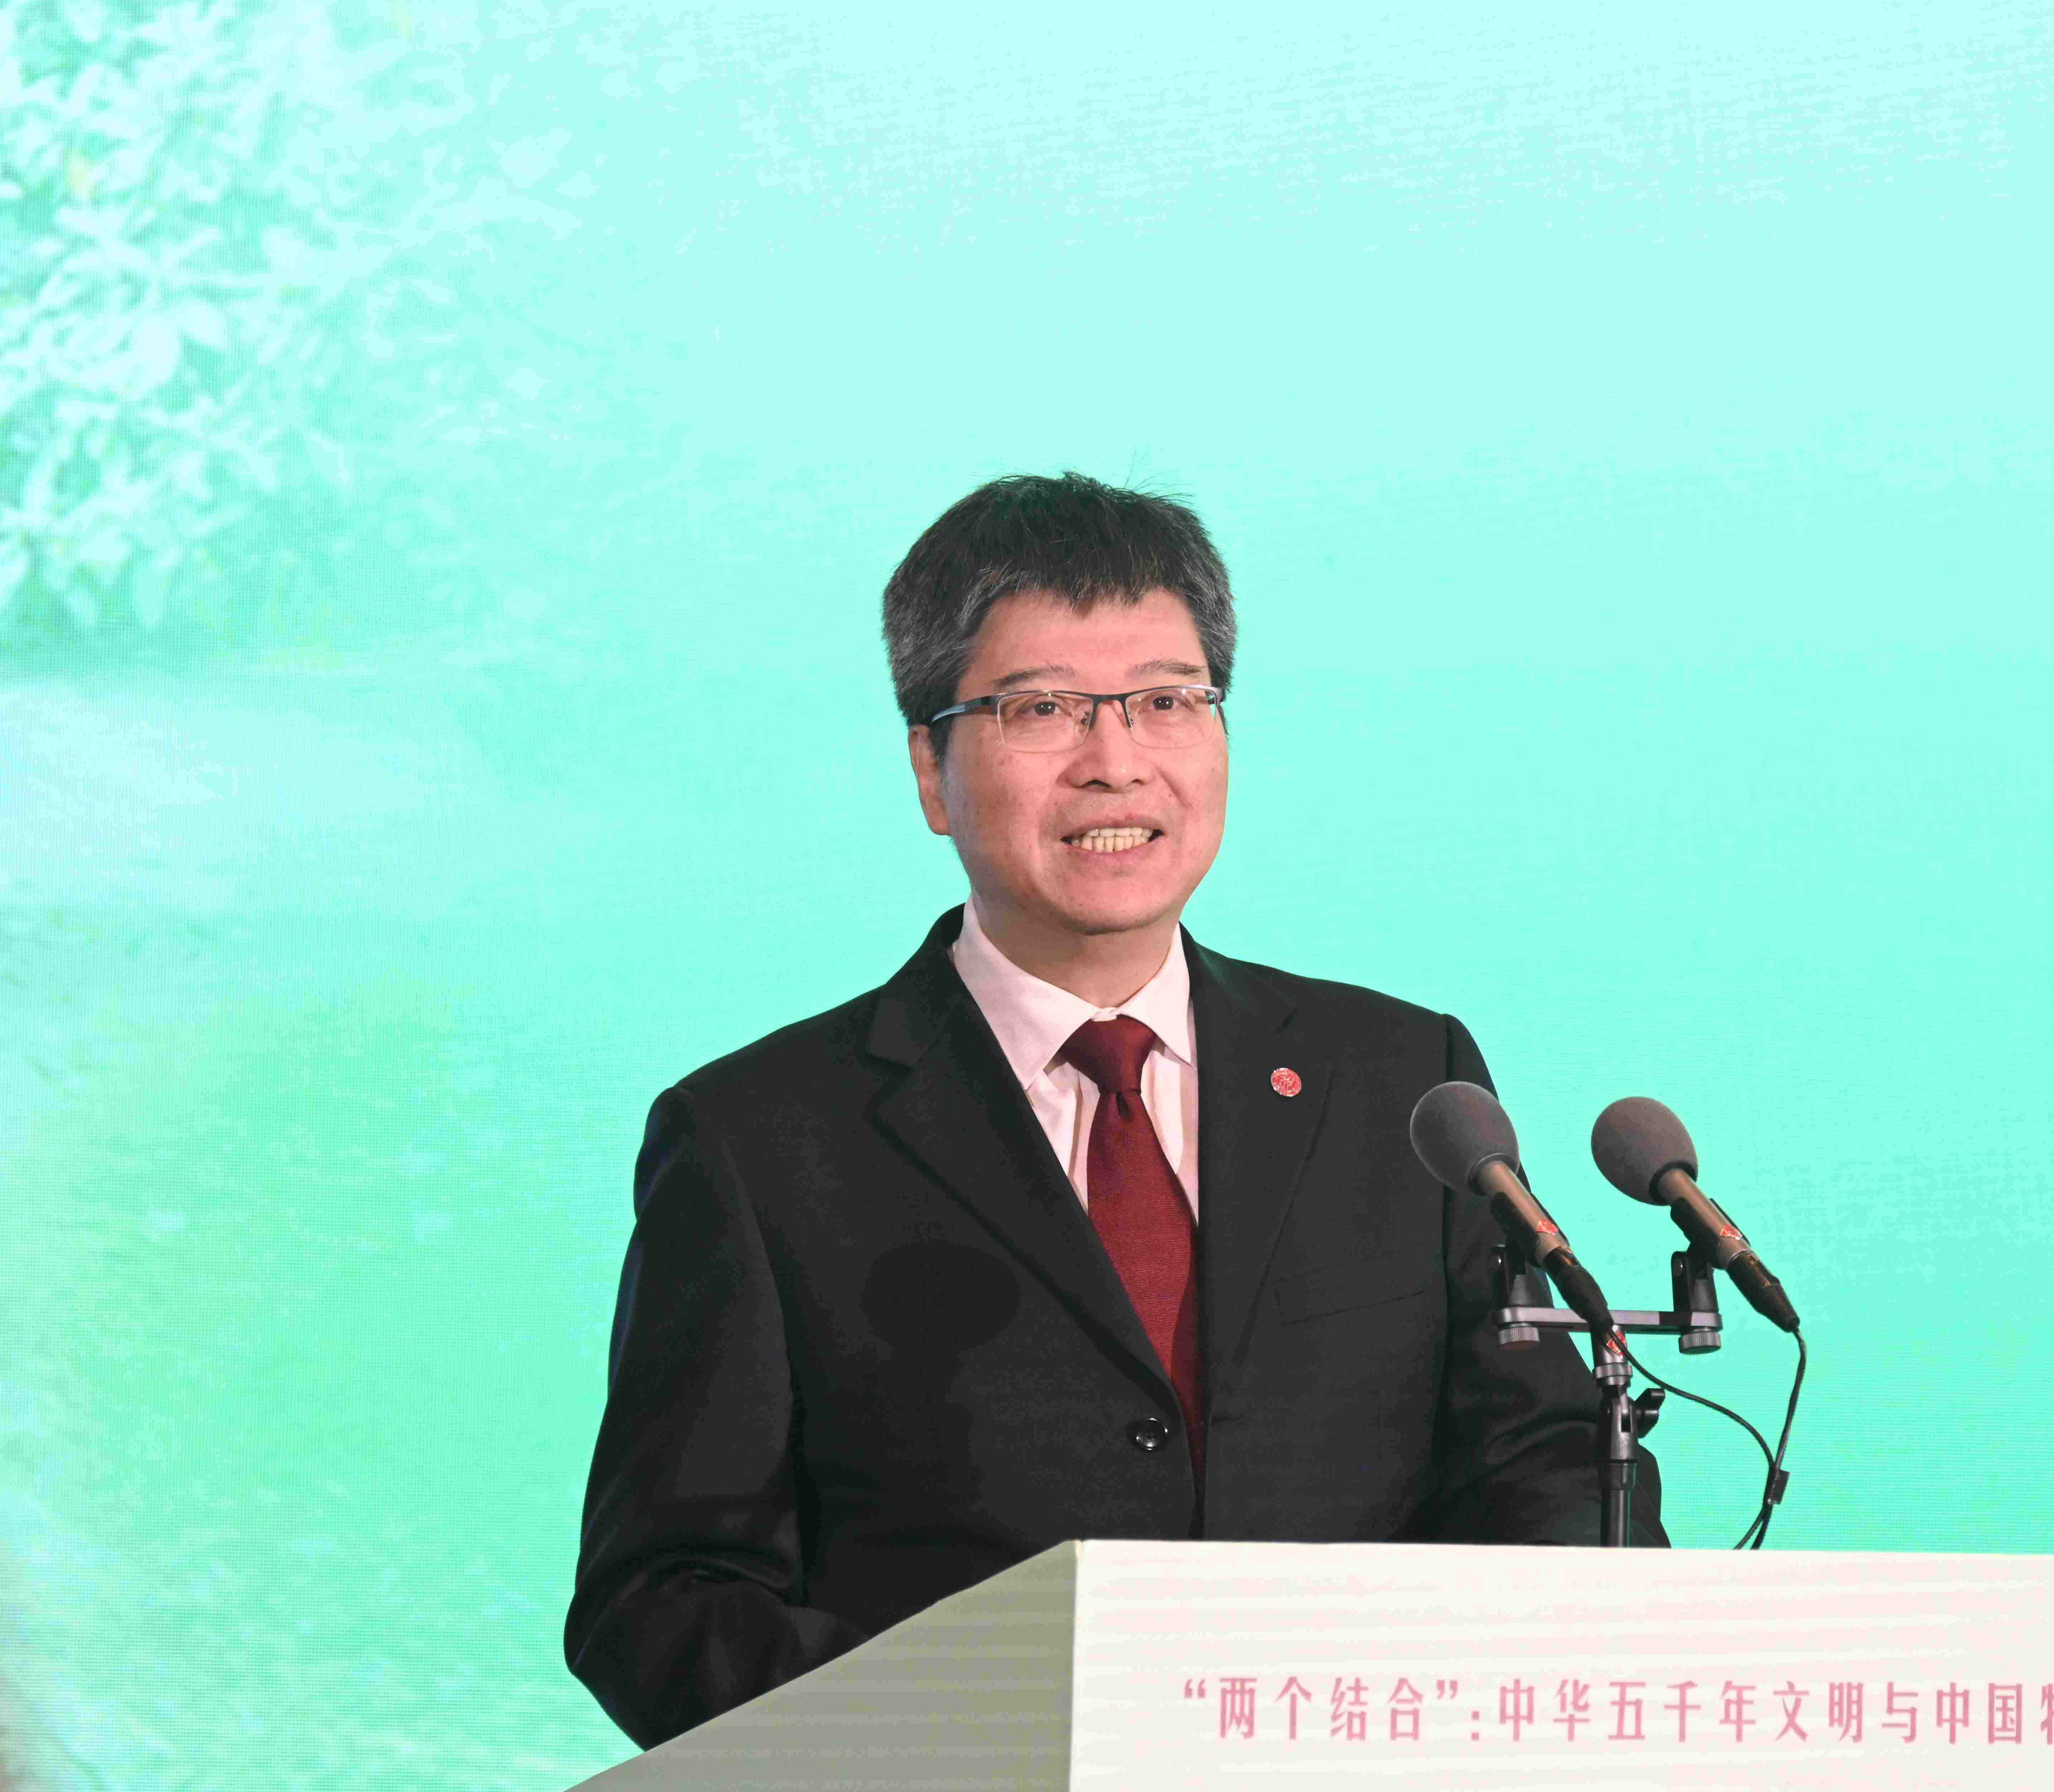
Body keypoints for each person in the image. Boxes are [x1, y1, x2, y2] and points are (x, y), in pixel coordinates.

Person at [564, 473, 1663, 1748]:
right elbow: (663, 1600)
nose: (1115, 762)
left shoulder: (1404, 1081)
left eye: (1166, 700)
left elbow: (1539, 1470)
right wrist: (983, 1736)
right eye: (1041, 710)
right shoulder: (759, 1141)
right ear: (931, 770)